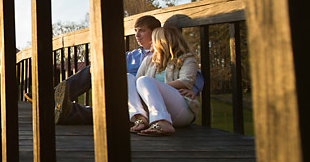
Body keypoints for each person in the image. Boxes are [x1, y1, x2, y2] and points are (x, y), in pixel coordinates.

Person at [55, 15, 204, 124]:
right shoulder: (132, 56)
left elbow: (192, 77)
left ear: (155, 33)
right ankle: (54, 98)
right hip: (129, 95)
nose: (137, 35)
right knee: (93, 69)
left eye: (142, 31)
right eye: (135, 30)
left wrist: (193, 90)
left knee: (117, 111)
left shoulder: (177, 58)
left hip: (149, 99)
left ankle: (66, 110)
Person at [127, 25, 200, 136]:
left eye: (153, 39)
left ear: (162, 42)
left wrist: (155, 87)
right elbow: (137, 84)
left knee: (145, 80)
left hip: (180, 111)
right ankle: (140, 118)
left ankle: (162, 122)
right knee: (128, 78)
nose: (150, 42)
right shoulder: (148, 60)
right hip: (151, 111)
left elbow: (186, 81)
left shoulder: (187, 59)